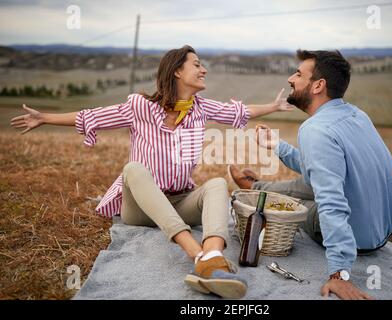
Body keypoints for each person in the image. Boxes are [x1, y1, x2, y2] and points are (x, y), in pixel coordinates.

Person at [10, 45, 293, 299]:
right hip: (141, 209)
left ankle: (215, 257)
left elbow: (239, 112)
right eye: (196, 64)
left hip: (180, 201)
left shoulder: (200, 108)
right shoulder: (140, 107)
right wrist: (45, 117)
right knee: (133, 169)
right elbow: (91, 116)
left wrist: (273, 106)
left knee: (218, 183)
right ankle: (196, 255)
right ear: (177, 72)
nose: (203, 69)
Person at [228, 49, 392, 300]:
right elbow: (327, 168)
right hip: (384, 224)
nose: (291, 78)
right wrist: (277, 145)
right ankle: (257, 186)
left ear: (318, 85)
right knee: (314, 180)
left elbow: (332, 203)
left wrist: (339, 275)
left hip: (360, 238)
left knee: (295, 206)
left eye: (299, 74)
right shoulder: (356, 114)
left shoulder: (315, 130)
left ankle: (256, 190)